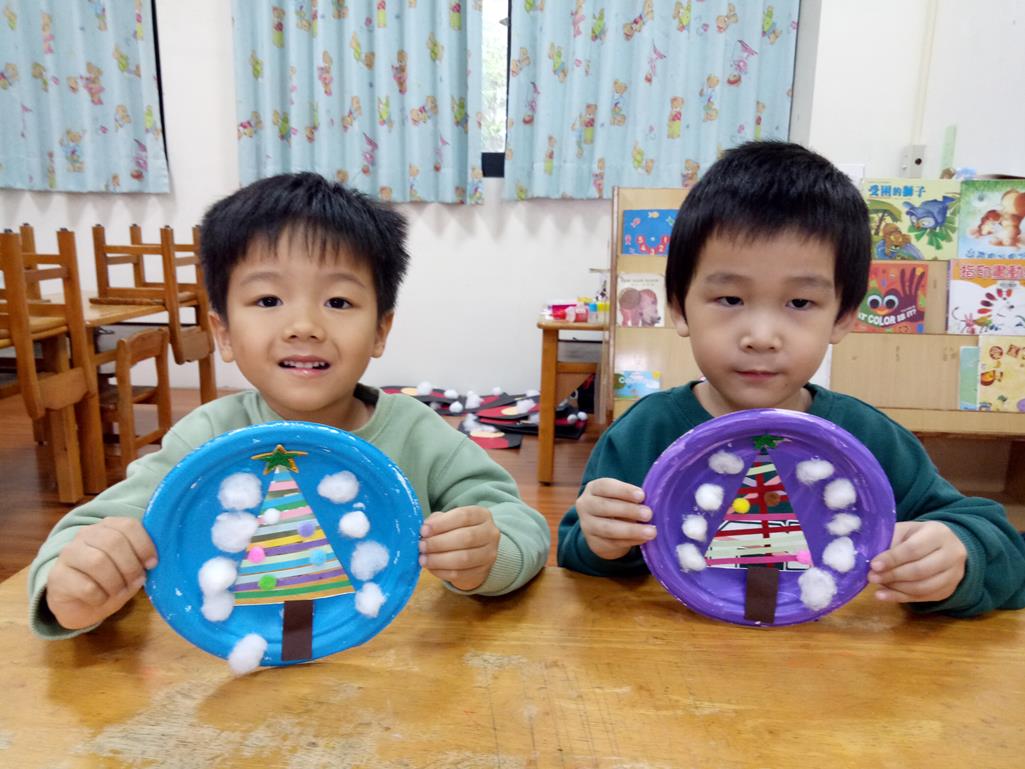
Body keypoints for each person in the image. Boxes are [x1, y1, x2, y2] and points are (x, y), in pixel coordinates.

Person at [30, 172, 550, 638]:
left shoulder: (419, 434)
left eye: (338, 302)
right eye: (268, 300)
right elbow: (92, 531)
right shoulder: (205, 439)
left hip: (392, 678)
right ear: (223, 333)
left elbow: (519, 525)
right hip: (234, 674)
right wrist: (72, 586)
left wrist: (489, 557)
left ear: (380, 330)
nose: (304, 326)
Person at [558, 141, 1025, 617]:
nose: (761, 337)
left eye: (800, 303)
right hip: (676, 653)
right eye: (730, 300)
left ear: (842, 316)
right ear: (679, 307)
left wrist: (957, 555)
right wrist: (601, 540)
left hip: (829, 658)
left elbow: (1005, 553)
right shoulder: (644, 434)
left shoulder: (867, 438)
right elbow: (576, 551)